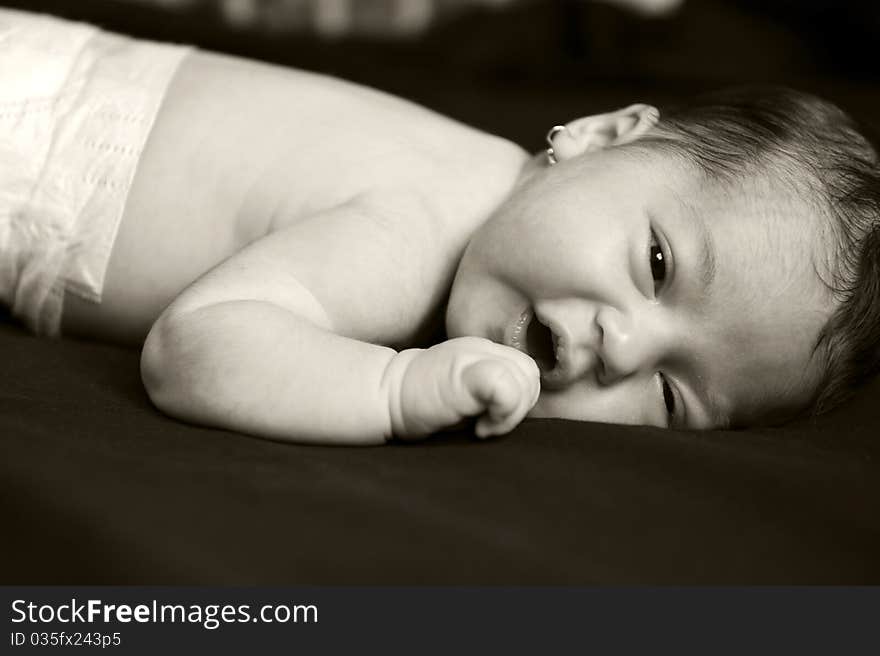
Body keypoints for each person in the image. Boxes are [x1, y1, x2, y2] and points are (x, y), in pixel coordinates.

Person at [2, 9, 878, 445]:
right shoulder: (423, 223)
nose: (624, 345)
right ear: (602, 135)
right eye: (657, 262)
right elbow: (196, 349)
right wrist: (394, 391)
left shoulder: (487, 217)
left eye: (670, 396)